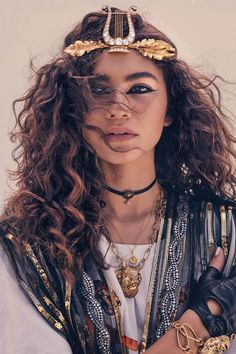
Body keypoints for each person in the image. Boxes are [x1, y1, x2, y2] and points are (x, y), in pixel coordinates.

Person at [0, 5, 236, 354]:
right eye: (98, 90)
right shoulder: (25, 244)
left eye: (140, 89)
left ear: (170, 109)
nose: (118, 108)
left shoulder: (225, 230)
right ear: (72, 109)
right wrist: (201, 320)